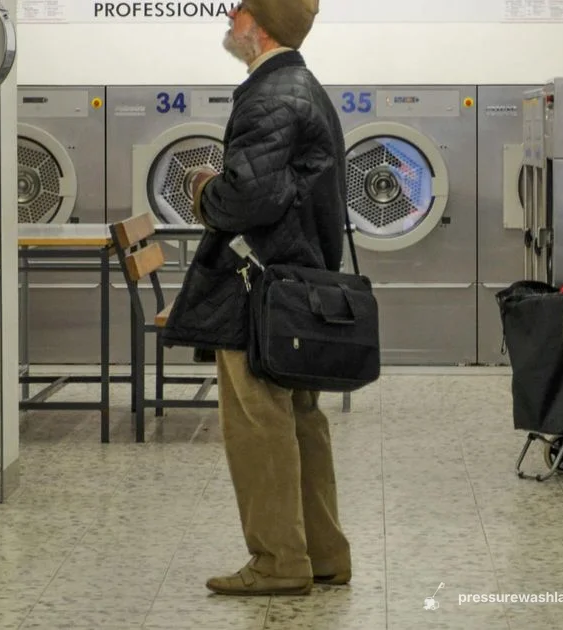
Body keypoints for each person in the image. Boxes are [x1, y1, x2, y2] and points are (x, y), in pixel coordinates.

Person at [159, 0, 352, 597]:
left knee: (257, 424)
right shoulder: (305, 87)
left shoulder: (271, 94)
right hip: (298, 287)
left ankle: (277, 561)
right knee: (300, 420)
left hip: (259, 291)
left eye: (237, 11)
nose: (229, 18)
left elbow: (248, 199)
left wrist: (202, 190)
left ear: (259, 27)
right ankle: (322, 554)